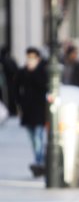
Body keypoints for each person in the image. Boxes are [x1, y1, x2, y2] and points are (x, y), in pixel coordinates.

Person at [16, 47, 48, 177]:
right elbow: (16, 88)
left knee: (38, 137)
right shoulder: (22, 72)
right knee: (33, 138)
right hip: (27, 111)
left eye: (32, 58)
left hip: (40, 110)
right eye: (28, 57)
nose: (30, 60)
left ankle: (39, 162)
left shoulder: (42, 71)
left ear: (38, 59)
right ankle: (40, 160)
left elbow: (44, 86)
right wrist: (19, 103)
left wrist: (33, 73)